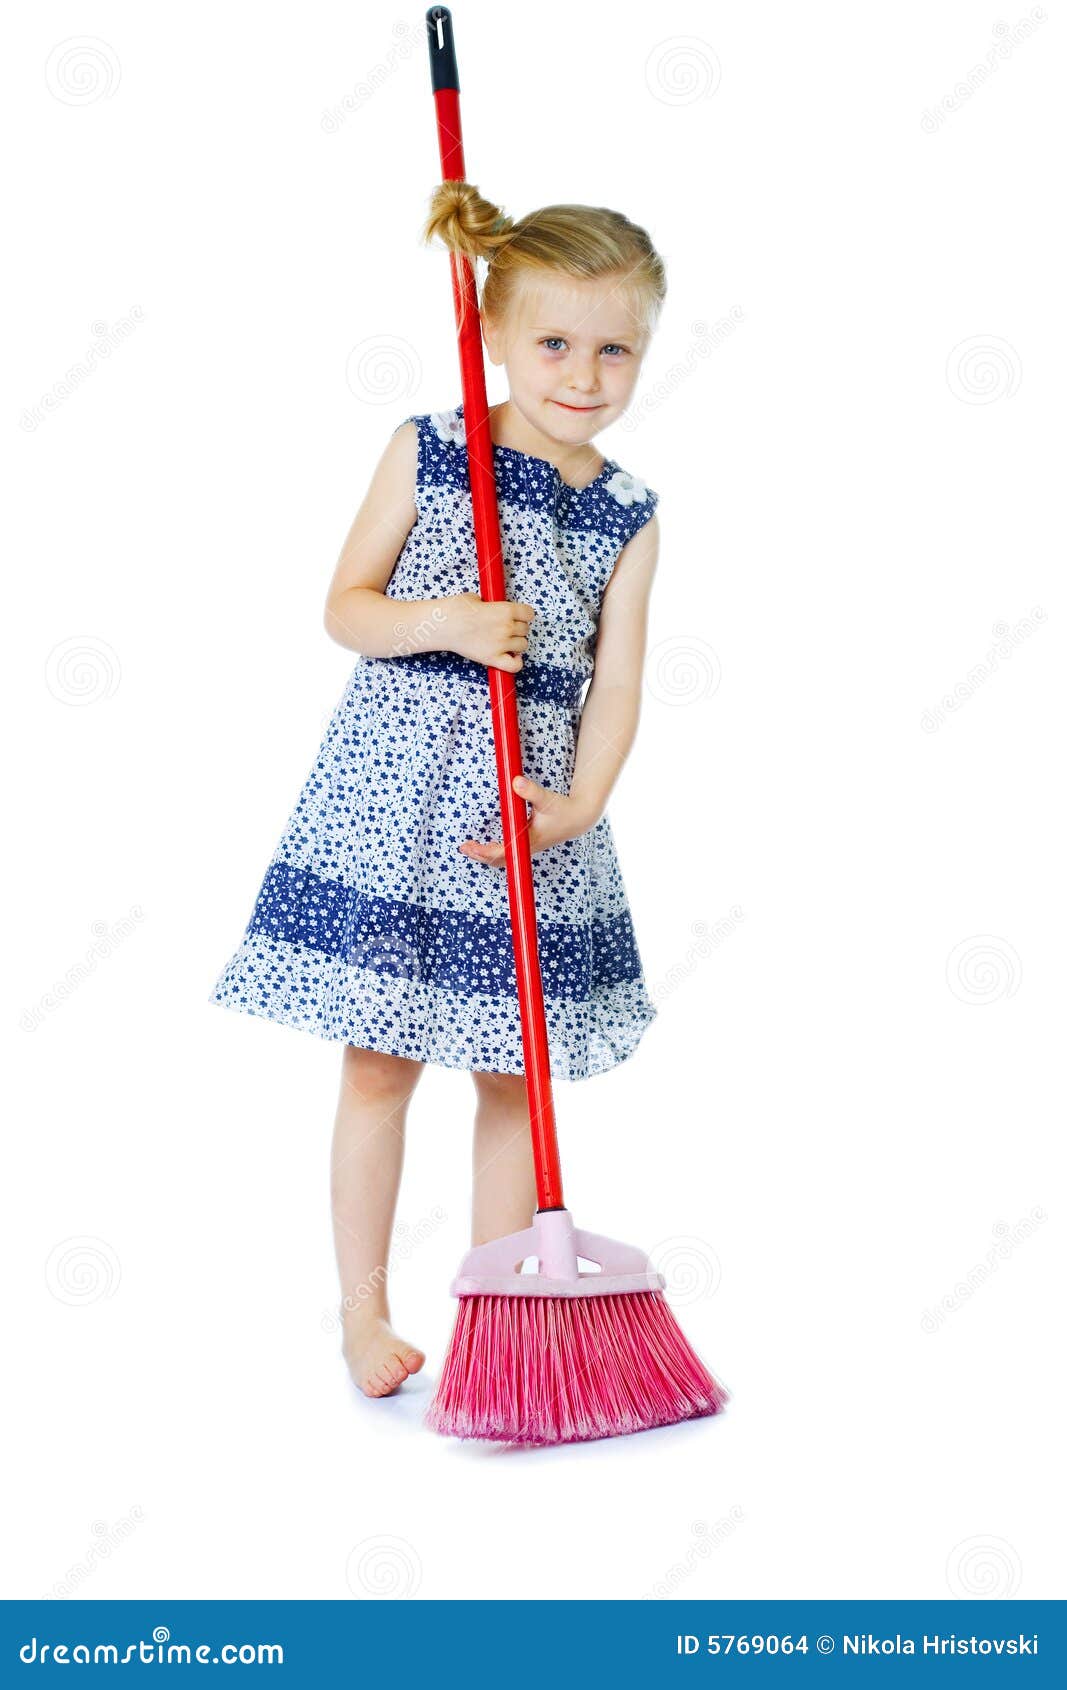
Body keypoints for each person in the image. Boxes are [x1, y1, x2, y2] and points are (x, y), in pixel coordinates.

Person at [210, 181, 666, 1399]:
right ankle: (362, 1316)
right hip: (397, 800)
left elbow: (615, 686)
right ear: (495, 335)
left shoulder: (627, 513)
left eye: (614, 346)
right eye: (553, 342)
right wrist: (448, 621)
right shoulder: (431, 449)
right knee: (375, 1062)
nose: (584, 372)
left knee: (513, 1074)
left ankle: (494, 1315)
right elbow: (343, 607)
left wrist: (582, 801)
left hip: (522, 816)